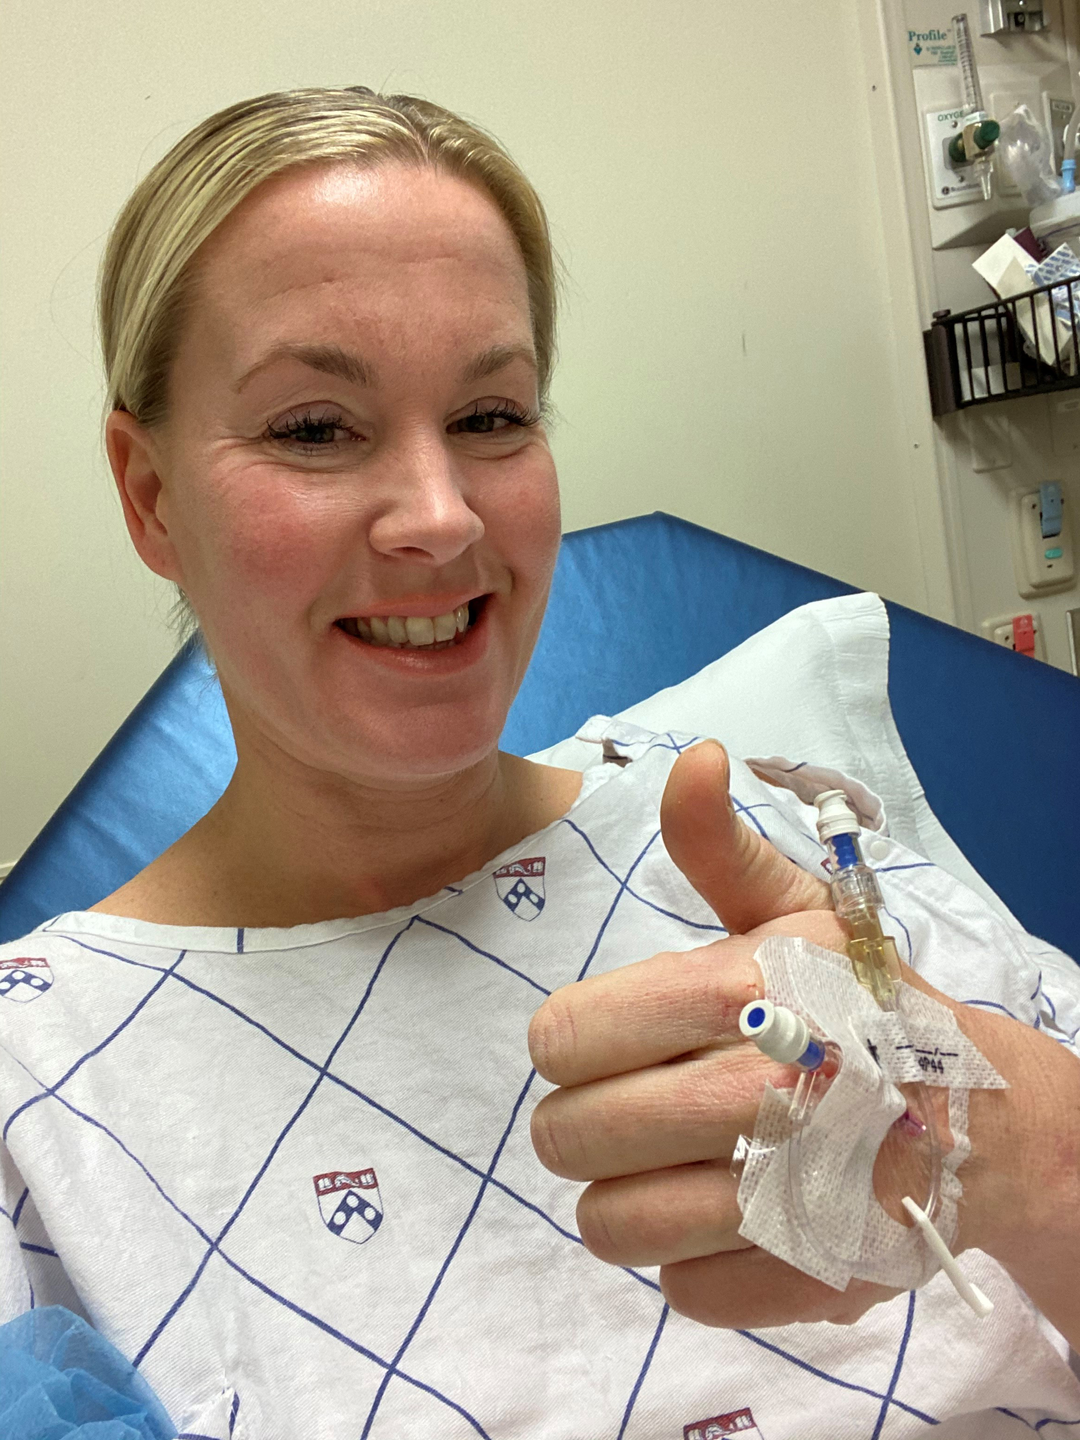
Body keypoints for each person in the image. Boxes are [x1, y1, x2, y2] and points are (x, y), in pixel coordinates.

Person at [1, 86, 1078, 1439]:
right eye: (316, 428)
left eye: (493, 416)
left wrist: (1029, 1153)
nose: (444, 520)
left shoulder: (768, 843)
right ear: (151, 496)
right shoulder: (44, 1089)